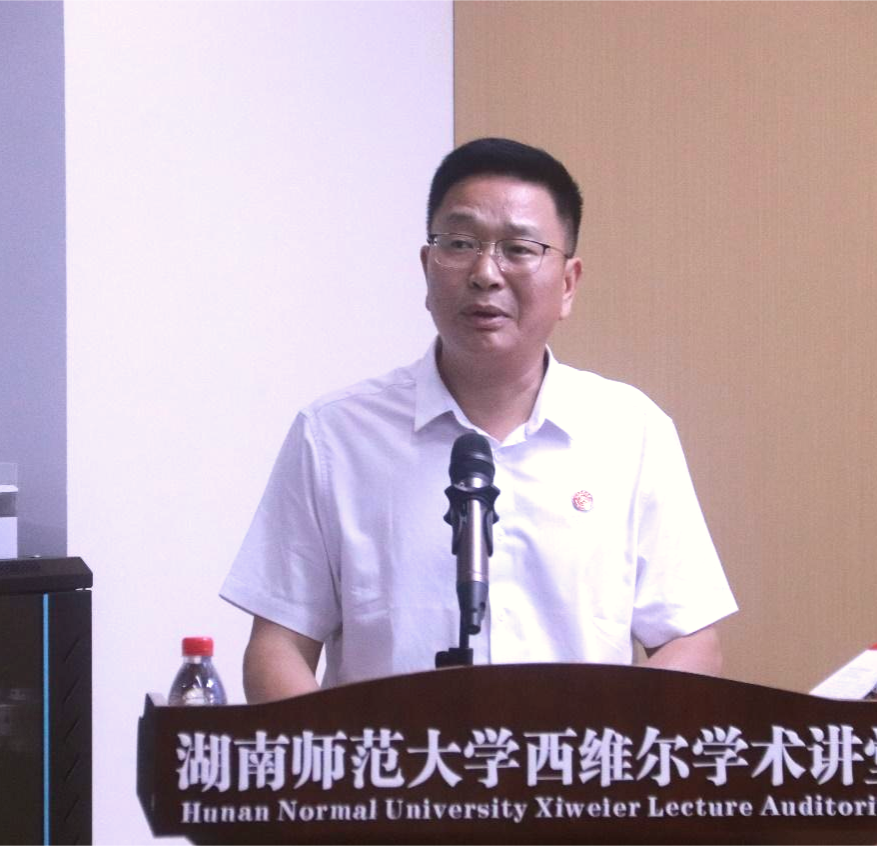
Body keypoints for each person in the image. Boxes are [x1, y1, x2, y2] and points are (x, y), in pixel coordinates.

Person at [221, 138, 737, 703]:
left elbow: (691, 640)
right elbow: (278, 647)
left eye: (519, 249)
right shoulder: (335, 437)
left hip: (577, 760)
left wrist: (610, 737)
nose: (486, 273)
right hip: (398, 761)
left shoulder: (630, 432)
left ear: (568, 284)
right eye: (461, 244)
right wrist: (335, 756)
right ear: (427, 268)